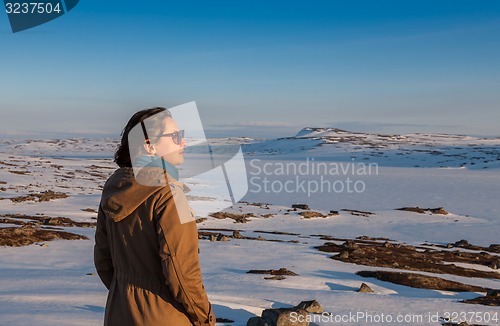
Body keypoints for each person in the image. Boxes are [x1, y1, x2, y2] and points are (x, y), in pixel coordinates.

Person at [94, 107, 215, 326]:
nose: (184, 143)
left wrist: (125, 293)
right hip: (165, 315)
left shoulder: (115, 188)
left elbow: (103, 261)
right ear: (149, 145)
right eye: (176, 136)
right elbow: (182, 272)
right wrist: (205, 318)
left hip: (119, 311)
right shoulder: (168, 194)